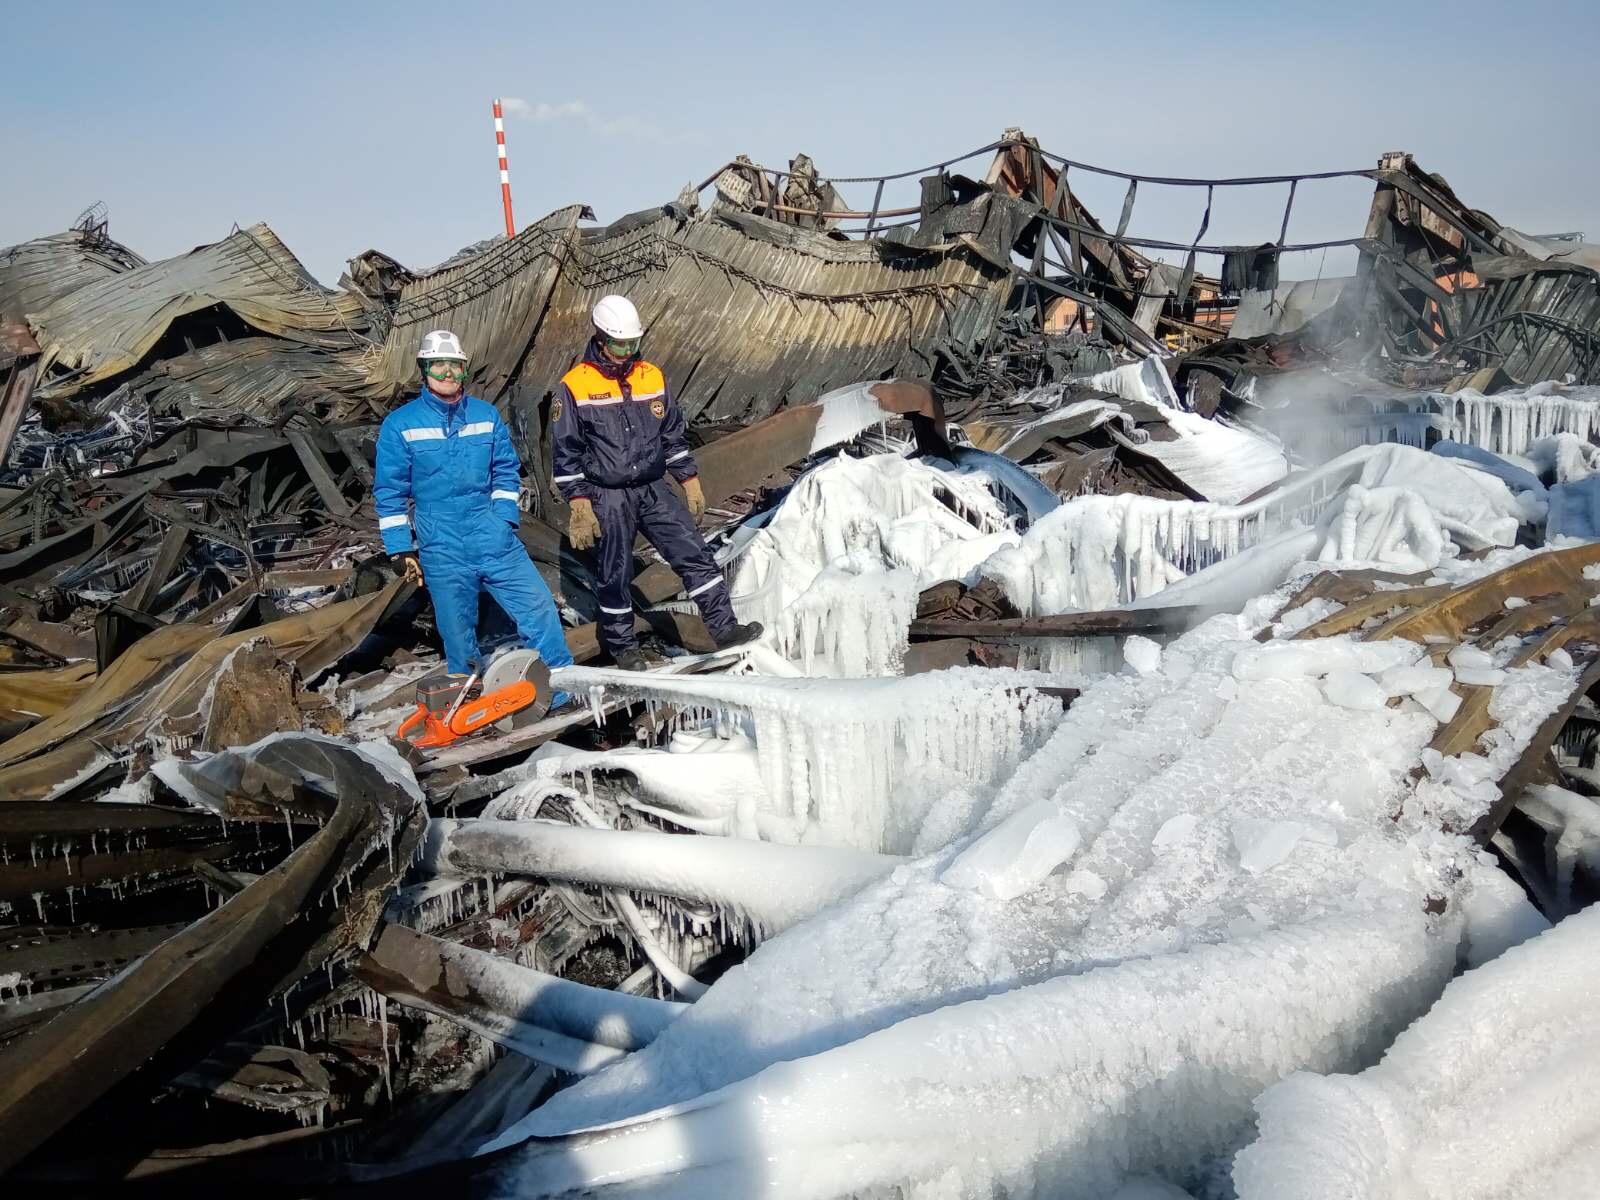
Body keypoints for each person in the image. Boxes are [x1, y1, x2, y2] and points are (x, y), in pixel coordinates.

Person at [551, 295, 762, 670]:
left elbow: (672, 436)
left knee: (693, 553)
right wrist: (579, 503)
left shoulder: (652, 375)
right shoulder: (575, 386)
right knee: (614, 572)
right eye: (620, 344)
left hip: (653, 488)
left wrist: (690, 479)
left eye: (633, 343)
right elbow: (565, 452)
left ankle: (724, 627)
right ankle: (623, 646)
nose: (627, 351)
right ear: (601, 338)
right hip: (608, 494)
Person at [374, 329, 574, 681]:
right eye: (439, 366)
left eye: (455, 366)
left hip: (494, 538)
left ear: (465, 370)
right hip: (443, 547)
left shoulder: (485, 415)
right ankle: (467, 702)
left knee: (539, 610)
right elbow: (389, 493)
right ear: (424, 370)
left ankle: (558, 687)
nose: (448, 374)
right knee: (457, 634)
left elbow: (506, 471)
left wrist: (503, 521)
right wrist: (399, 550)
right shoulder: (400, 425)